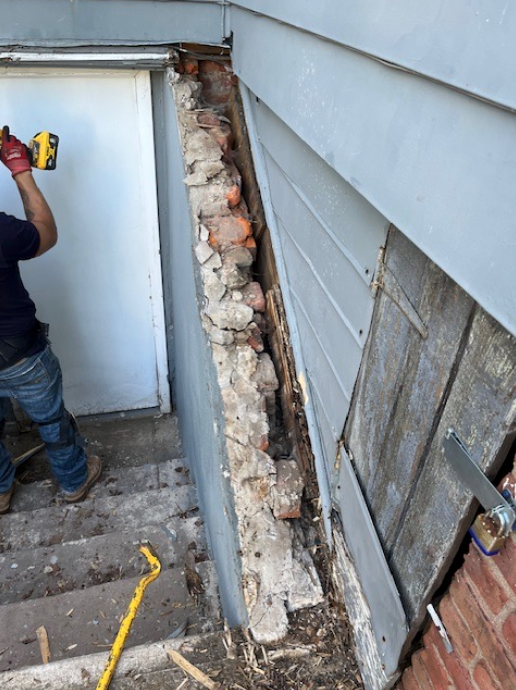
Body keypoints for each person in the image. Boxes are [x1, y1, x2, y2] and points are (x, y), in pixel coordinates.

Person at [0, 125, 101, 514]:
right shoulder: (2, 231)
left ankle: (1, 490)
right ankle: (74, 481)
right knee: (51, 420)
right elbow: (46, 233)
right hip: (19, 355)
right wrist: (21, 170)